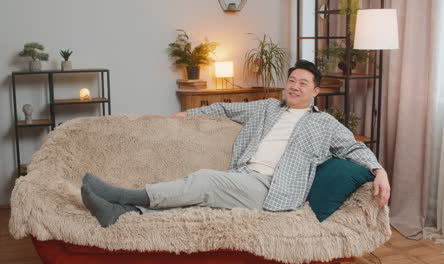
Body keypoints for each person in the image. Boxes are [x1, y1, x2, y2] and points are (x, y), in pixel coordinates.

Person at [81, 60, 391, 228]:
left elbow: (354, 148)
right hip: (244, 175)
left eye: (303, 83)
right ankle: (121, 213)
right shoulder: (268, 107)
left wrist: (379, 171)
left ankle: (124, 195)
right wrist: (189, 112)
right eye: (292, 80)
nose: (294, 87)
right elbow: (226, 107)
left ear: (315, 92)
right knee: (198, 199)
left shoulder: (324, 124)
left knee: (204, 180)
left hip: (274, 188)